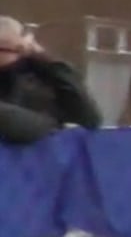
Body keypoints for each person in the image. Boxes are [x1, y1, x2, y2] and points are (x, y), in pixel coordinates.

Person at [0, 16, 104, 145]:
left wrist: (47, 61)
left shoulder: (39, 73)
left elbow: (89, 119)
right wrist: (50, 124)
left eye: (19, 50)